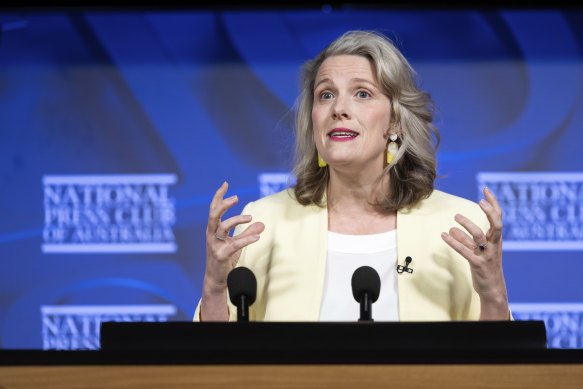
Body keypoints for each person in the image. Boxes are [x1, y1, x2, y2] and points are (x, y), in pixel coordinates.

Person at [195, 30, 510, 322]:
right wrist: (213, 287)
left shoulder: (457, 225)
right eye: (326, 95)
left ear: (396, 122)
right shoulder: (264, 224)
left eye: (362, 94)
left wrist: (493, 294)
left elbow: (497, 372)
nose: (339, 108)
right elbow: (213, 365)